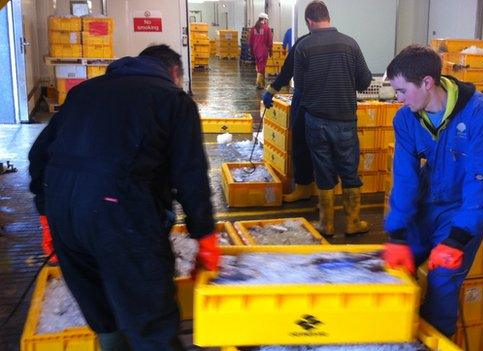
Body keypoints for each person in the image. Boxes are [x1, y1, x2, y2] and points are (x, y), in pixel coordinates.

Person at [29, 44, 219, 351]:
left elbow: (38, 158)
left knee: (104, 314)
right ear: (173, 73)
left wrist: (46, 219)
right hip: (119, 217)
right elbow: (191, 174)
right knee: (152, 324)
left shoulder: (84, 92)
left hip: (64, 214)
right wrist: (205, 235)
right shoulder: (173, 99)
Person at [382, 44, 483, 337]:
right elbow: (405, 177)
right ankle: (395, 335)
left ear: (426, 82)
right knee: (397, 269)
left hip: (461, 209)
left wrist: (459, 237)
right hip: (428, 202)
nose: (398, 98)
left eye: (401, 90)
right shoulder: (406, 119)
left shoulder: (477, 112)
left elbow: (481, 179)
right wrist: (397, 232)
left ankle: (436, 340)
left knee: (442, 280)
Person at [294, 1, 372, 237]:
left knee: (324, 170)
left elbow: (300, 85)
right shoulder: (350, 44)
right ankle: (352, 222)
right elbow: (365, 81)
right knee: (349, 170)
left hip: (315, 120)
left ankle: (326, 224)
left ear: (309, 22)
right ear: (328, 17)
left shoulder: (303, 47)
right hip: (345, 121)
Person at [262, 30, 315, 202]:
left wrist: (271, 91)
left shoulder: (303, 43)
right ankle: (322, 197)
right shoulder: (344, 44)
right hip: (331, 102)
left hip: (305, 99)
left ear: (309, 22)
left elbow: (287, 71)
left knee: (300, 142)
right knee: (324, 149)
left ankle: (304, 188)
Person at [249, 12, 273, 89]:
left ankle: (262, 83)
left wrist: (251, 50)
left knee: (259, 66)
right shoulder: (267, 28)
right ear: (264, 19)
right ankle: (259, 83)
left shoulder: (254, 28)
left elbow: (250, 41)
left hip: (256, 50)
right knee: (261, 67)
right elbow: (269, 41)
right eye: (267, 20)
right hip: (263, 50)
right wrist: (270, 50)